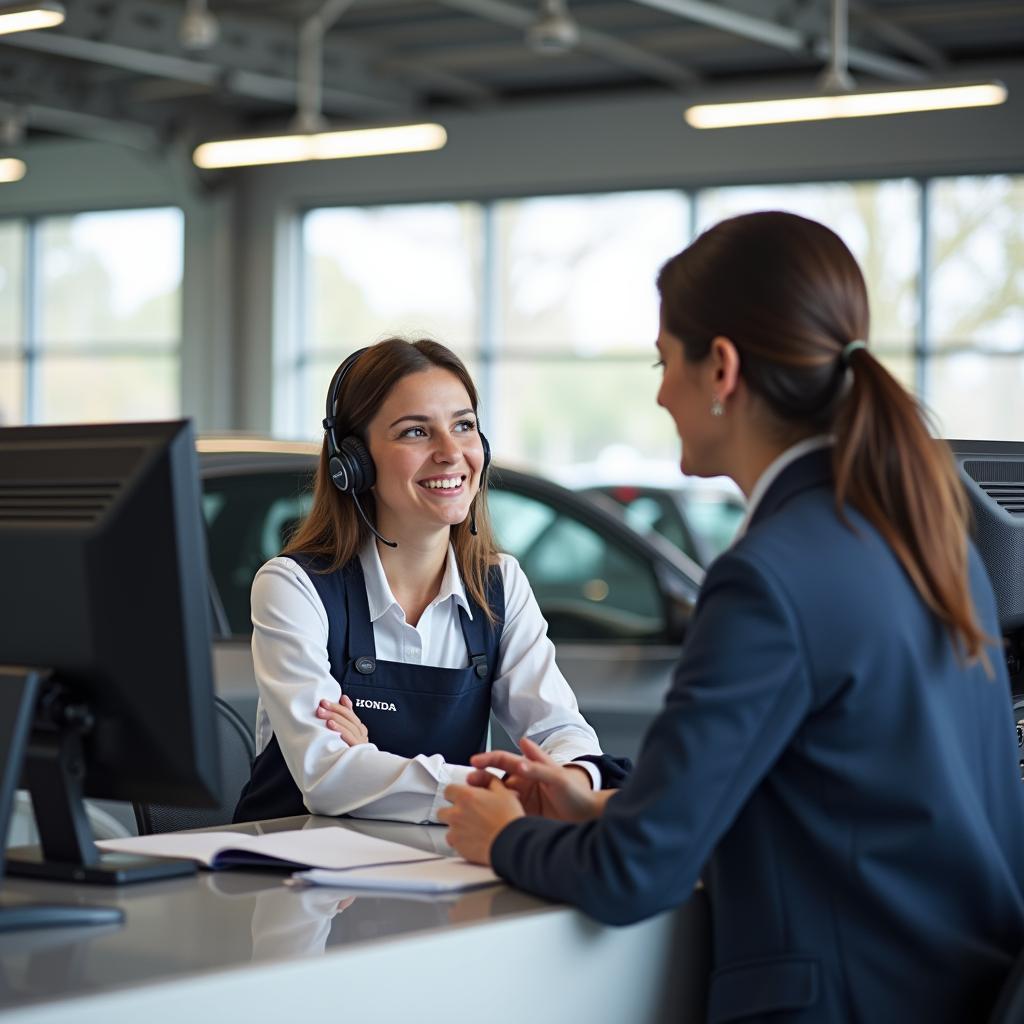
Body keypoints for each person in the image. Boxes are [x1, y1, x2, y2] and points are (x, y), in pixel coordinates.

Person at [439, 212, 1024, 1022]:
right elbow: (838, 796)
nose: (658, 392)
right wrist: (604, 807)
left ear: (721, 368)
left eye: (663, 360)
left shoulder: (768, 577)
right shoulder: (926, 538)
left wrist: (503, 836)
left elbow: (632, 877)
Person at [234, 337, 619, 826]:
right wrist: (504, 791)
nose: (450, 452)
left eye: (464, 426)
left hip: (434, 875)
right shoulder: (295, 587)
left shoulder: (500, 584)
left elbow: (561, 730)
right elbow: (329, 776)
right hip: (298, 885)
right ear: (354, 462)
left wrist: (574, 782)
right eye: (416, 432)